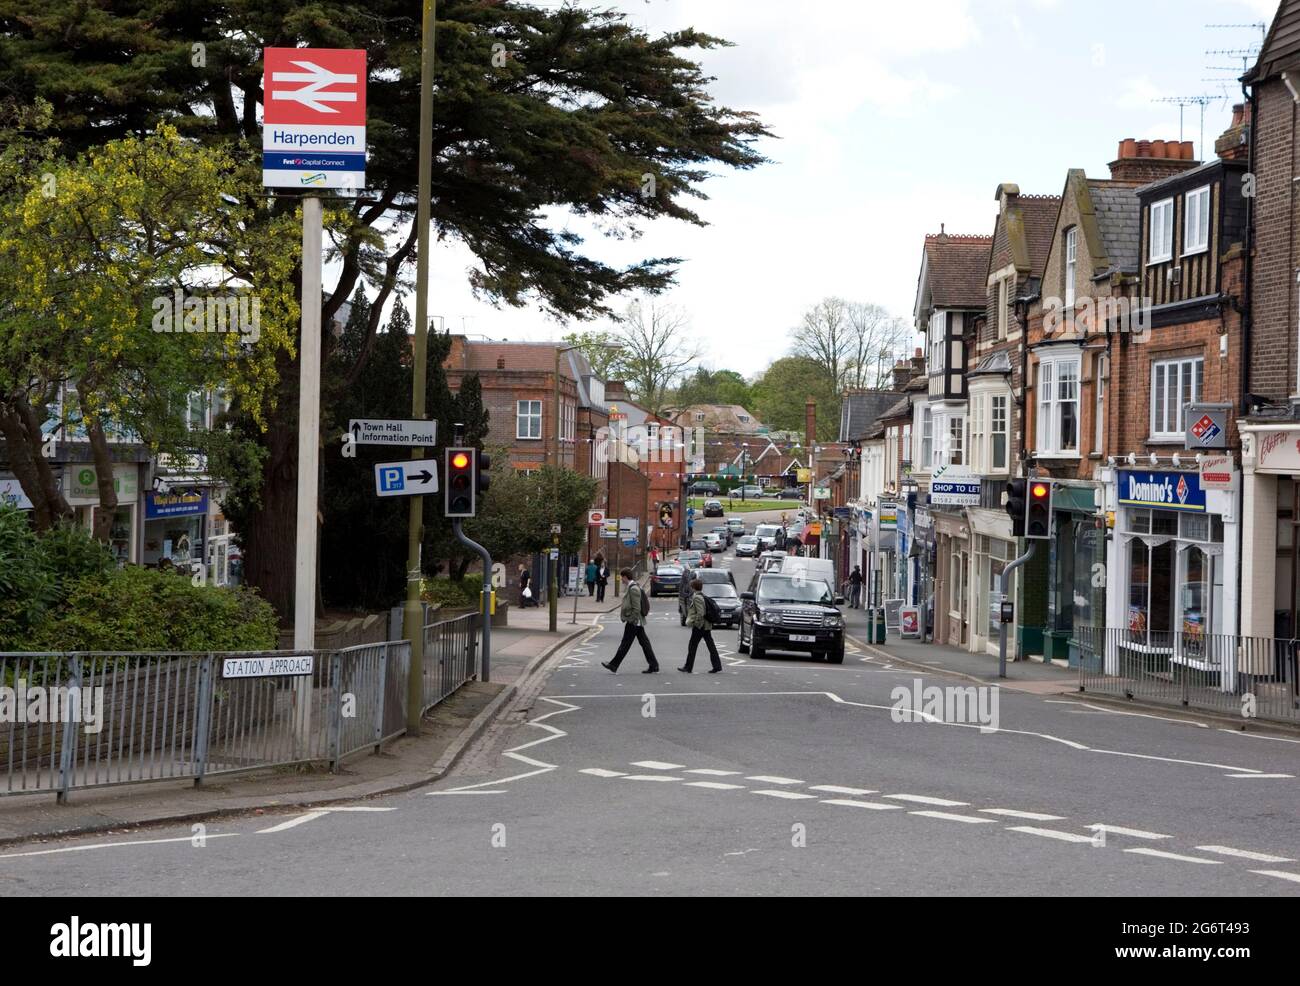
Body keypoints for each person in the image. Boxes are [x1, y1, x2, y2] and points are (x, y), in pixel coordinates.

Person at [602, 568, 659, 674]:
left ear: (625, 577)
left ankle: (613, 665)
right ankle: (654, 665)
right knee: (644, 644)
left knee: (625, 644)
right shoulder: (632, 587)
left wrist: (632, 620)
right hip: (636, 622)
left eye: (622, 577)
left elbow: (636, 608)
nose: (621, 580)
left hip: (634, 622)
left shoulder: (633, 589)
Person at [680, 579, 722, 674]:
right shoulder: (701, 595)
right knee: (710, 646)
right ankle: (717, 666)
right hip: (706, 626)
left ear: (693, 587)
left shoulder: (697, 598)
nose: (690, 588)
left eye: (691, 587)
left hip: (700, 626)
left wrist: (697, 624)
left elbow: (701, 613)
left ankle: (688, 667)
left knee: (692, 646)